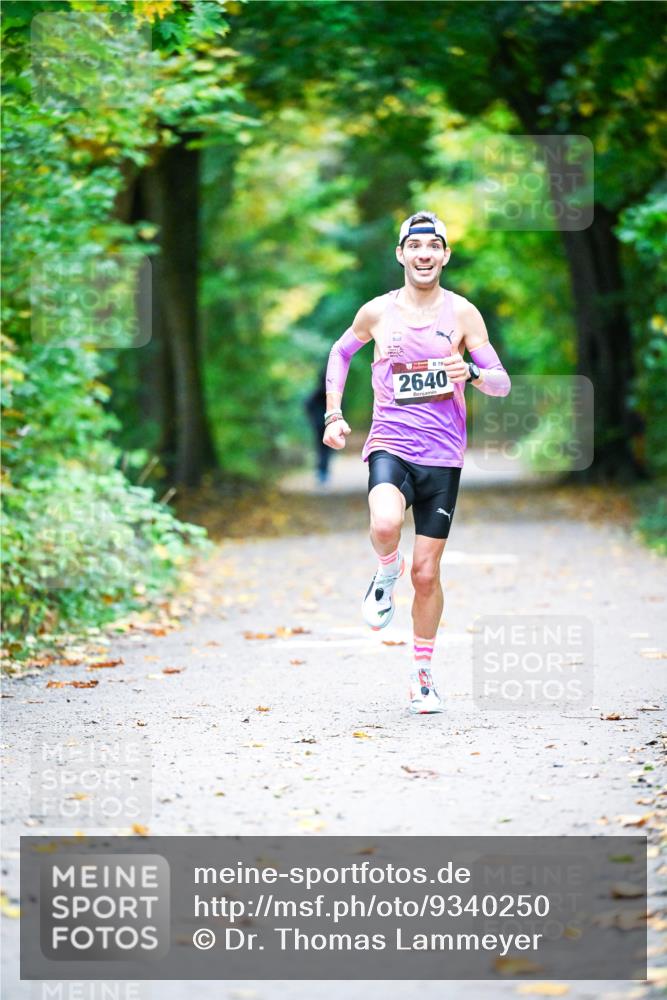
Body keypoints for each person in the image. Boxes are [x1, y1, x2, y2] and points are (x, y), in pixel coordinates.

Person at [323, 211, 511, 715]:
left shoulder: (464, 315)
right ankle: (386, 570)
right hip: (391, 443)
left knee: (426, 575)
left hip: (444, 458)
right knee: (385, 523)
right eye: (415, 245)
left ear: (445, 255)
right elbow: (340, 355)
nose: (424, 254)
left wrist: (469, 371)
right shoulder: (378, 313)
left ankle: (422, 674)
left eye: (434, 246)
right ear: (401, 254)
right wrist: (333, 413)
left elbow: (501, 383)